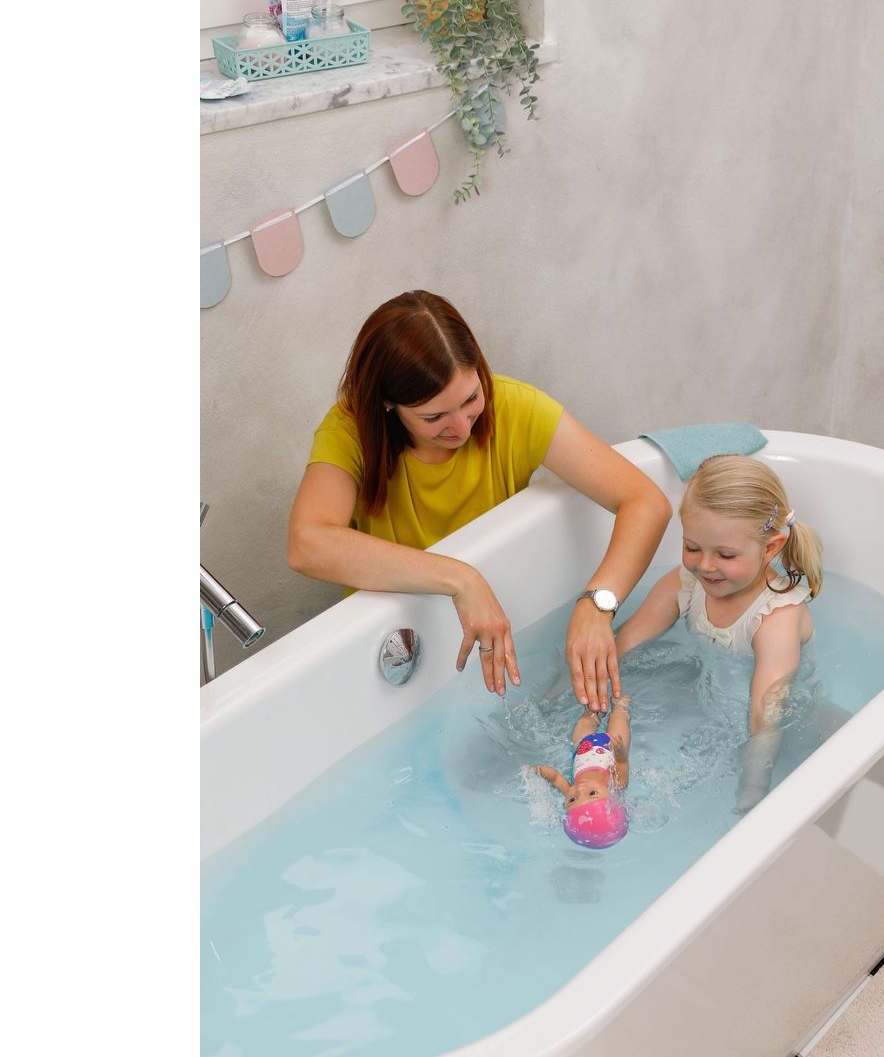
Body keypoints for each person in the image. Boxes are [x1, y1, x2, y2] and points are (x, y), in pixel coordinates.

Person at [287, 291, 671, 711]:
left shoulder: (514, 407)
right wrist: (460, 579)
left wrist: (598, 604)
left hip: (499, 625)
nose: (462, 428)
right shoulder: (351, 432)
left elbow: (645, 500)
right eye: (434, 417)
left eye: (470, 399)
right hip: (398, 652)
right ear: (387, 405)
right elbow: (307, 545)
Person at [611, 454, 823, 811]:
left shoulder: (777, 618)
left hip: (777, 720)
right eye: (692, 547)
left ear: (770, 547)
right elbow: (626, 642)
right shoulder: (687, 582)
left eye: (725, 555)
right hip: (709, 693)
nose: (705, 565)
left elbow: (766, 712)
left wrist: (753, 785)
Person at [529, 696, 631, 849]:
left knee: (585, 721)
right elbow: (622, 763)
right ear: (613, 798)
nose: (579, 790)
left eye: (571, 800)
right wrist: (620, 750)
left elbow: (555, 777)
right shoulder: (616, 783)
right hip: (612, 744)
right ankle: (619, 705)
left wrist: (537, 771)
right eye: (592, 793)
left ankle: (594, 708)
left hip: (583, 745)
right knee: (619, 718)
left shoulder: (570, 790)